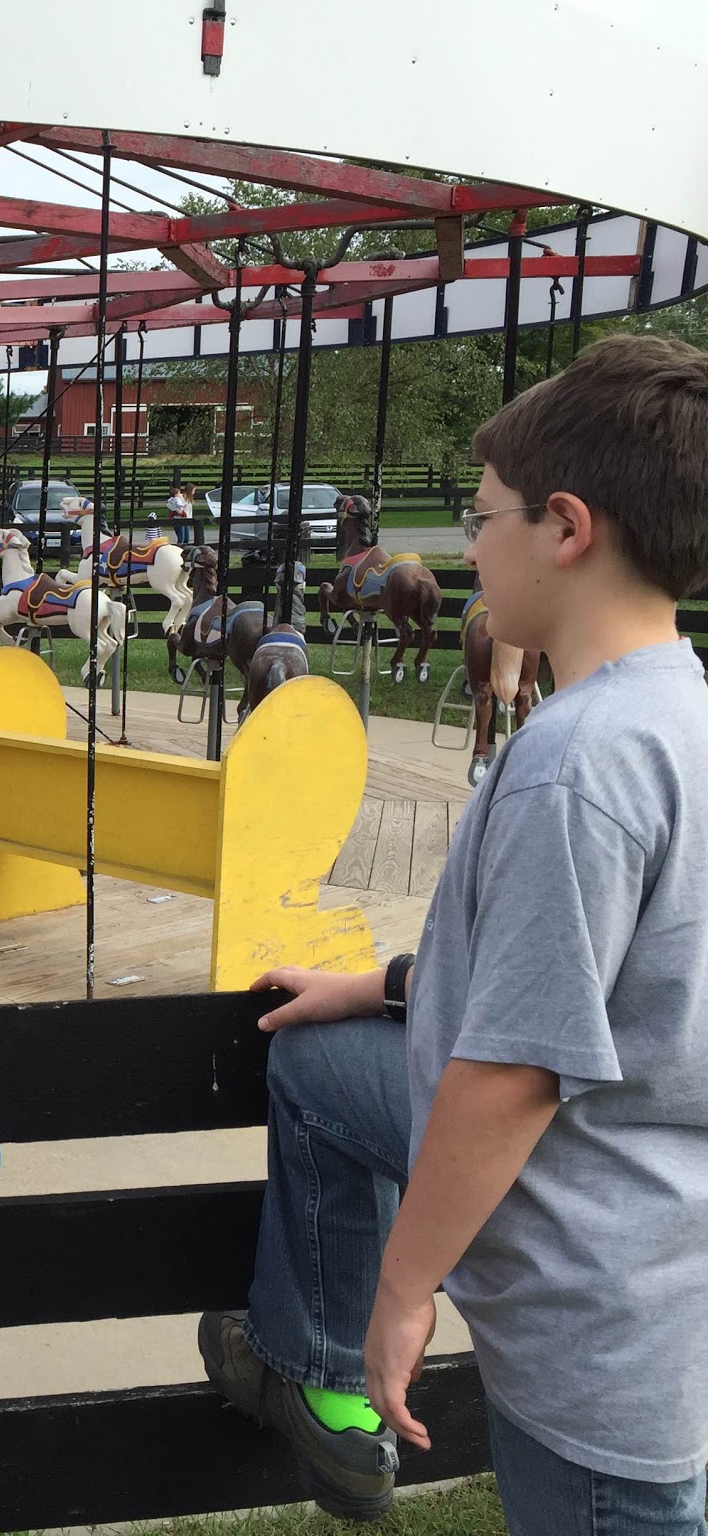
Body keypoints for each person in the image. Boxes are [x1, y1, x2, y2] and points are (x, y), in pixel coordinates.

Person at [199, 333, 708, 1532]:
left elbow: (511, 1074)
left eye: (481, 519)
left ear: (564, 528)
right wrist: (387, 985)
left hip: (591, 1319)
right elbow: (619, 975)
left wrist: (401, 1288)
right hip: (657, 1244)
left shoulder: (571, 765)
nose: (467, 549)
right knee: (320, 1060)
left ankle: (321, 1371)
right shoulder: (676, 716)